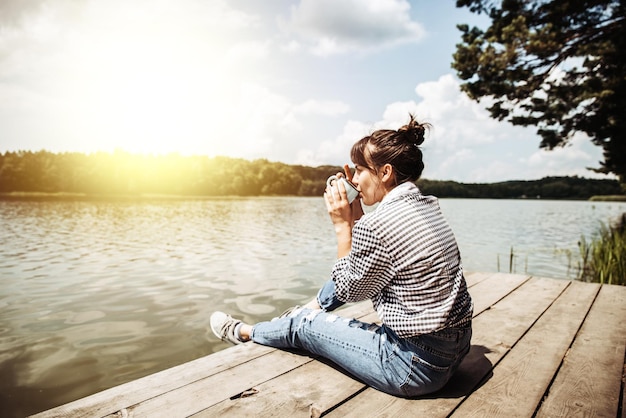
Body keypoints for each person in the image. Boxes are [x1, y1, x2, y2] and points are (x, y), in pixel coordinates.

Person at [210, 115, 473, 397]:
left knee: (305, 326)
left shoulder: (379, 225)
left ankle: (246, 332)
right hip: (455, 349)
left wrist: (342, 225)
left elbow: (349, 289)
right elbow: (368, 260)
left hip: (412, 367)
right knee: (344, 275)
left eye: (360, 170)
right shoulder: (426, 205)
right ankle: (309, 307)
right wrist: (357, 214)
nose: (355, 179)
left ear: (384, 172)